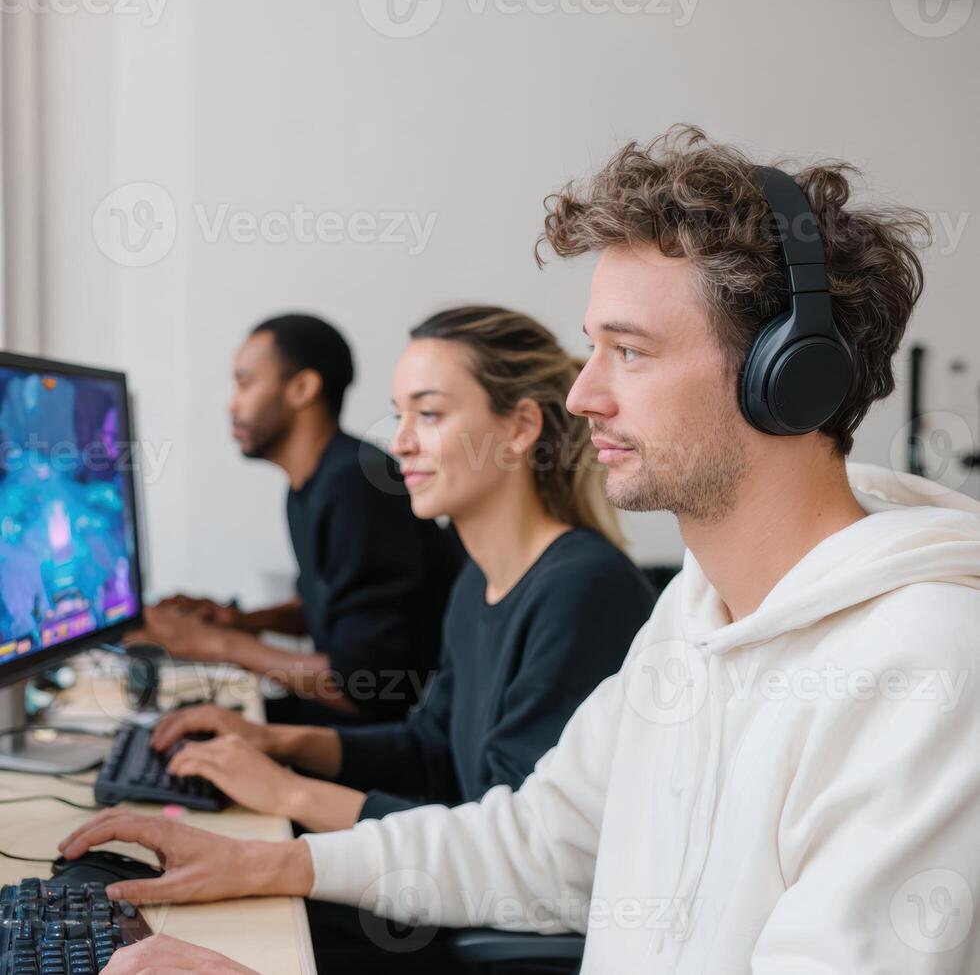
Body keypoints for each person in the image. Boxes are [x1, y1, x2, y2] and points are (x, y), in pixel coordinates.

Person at [66, 127, 980, 974]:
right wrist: (271, 862)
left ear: (787, 378)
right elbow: (538, 845)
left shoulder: (927, 669)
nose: (582, 397)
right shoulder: (694, 616)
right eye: (593, 349)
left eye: (629, 352)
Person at [145, 307, 653, 858]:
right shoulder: (477, 583)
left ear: (521, 428)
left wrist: (289, 791)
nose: (401, 443)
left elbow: (511, 850)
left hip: (492, 925)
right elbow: (429, 749)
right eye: (399, 416)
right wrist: (271, 739)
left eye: (429, 414)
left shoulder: (582, 590)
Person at [138, 314, 462, 724]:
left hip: (378, 739)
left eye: (245, 383)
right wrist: (239, 620)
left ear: (303, 389)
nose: (231, 404)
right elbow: (329, 607)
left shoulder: (355, 489)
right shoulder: (312, 484)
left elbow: (366, 685)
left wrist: (217, 643)